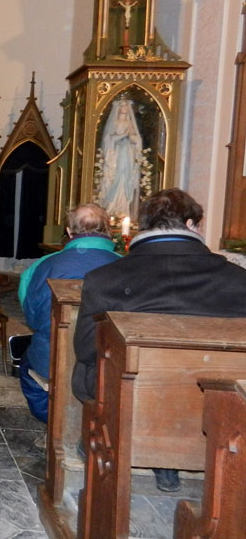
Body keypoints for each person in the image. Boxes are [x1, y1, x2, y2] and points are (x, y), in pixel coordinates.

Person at [72, 188, 246, 492]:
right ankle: (174, 459)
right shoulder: (239, 281)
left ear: (144, 226)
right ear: (192, 225)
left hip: (129, 398)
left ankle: (118, 441)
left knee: (88, 370)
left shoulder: (104, 278)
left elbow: (86, 350)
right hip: (217, 406)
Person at [17, 203, 120, 423]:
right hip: (107, 364)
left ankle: (55, 421)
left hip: (52, 357)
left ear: (69, 232)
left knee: (27, 367)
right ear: (108, 231)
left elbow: (32, 317)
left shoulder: (44, 265)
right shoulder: (125, 265)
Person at [97, 96, 142, 220]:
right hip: (116, 154)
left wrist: (131, 138)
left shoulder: (129, 123)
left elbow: (136, 139)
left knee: (126, 177)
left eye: (126, 105)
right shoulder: (115, 122)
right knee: (116, 177)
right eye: (122, 105)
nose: (125, 108)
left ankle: (123, 209)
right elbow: (108, 139)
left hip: (127, 153)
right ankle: (112, 208)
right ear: (118, 108)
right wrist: (121, 136)